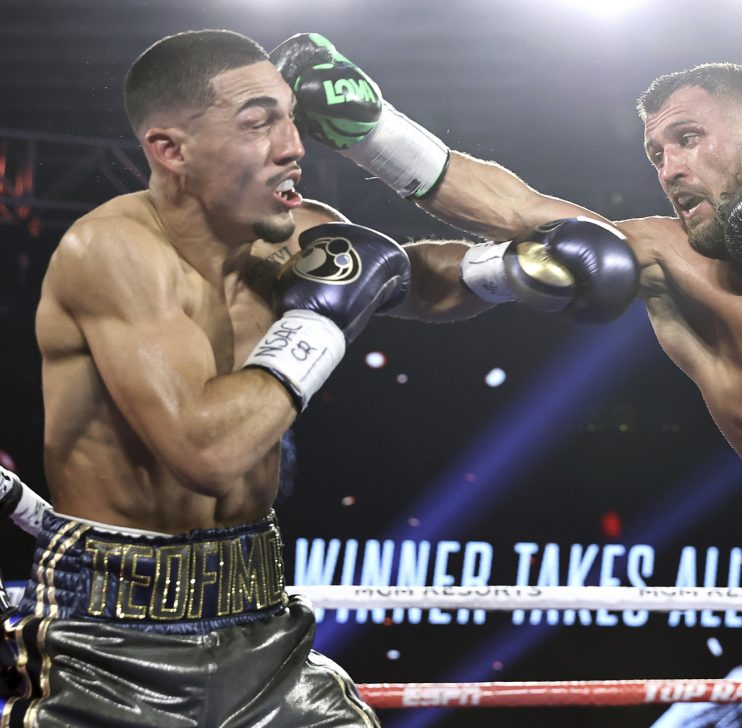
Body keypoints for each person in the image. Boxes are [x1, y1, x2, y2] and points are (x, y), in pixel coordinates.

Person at [272, 33, 742, 728]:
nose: (669, 169)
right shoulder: (669, 261)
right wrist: (371, 129)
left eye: (687, 139)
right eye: (656, 153)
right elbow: (518, 208)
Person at [0, 29, 638, 727]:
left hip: (259, 610)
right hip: (112, 637)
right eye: (258, 123)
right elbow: (205, 452)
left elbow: (403, 278)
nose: (293, 145)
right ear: (170, 150)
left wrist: (511, 271)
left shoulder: (290, 229)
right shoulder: (112, 250)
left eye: (290, 118)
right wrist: (319, 323)